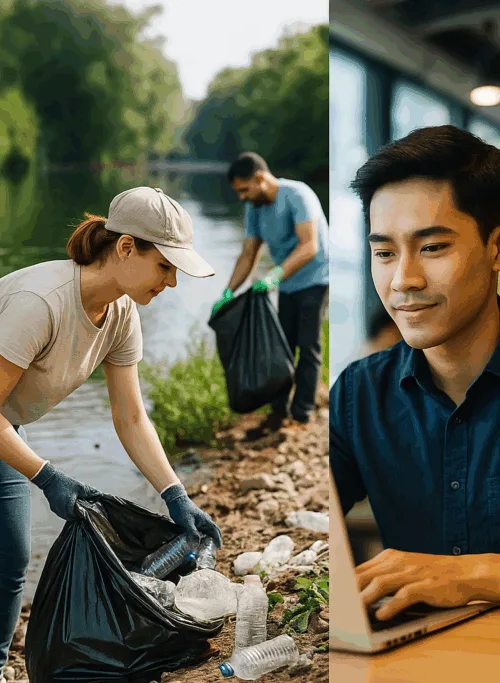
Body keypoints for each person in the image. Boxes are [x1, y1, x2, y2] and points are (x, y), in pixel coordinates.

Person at [0, 187, 223, 683]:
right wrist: (50, 477)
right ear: (125, 249)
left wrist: (175, 495)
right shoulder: (40, 303)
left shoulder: (120, 314)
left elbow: (131, 417)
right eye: (165, 266)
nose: (173, 282)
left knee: (8, 561)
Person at [330, 125, 500, 622]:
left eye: (431, 248)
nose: (403, 280)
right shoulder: (358, 394)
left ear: (495, 248)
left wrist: (476, 574)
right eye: (384, 253)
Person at [214, 152, 330, 433]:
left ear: (260, 178)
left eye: (244, 189)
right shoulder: (254, 207)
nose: (242, 196)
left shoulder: (297, 195)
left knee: (308, 345)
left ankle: (301, 415)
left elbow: (309, 246)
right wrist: (229, 292)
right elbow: (248, 254)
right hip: (287, 282)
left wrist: (274, 276)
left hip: (317, 278)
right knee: (282, 346)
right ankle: (278, 413)